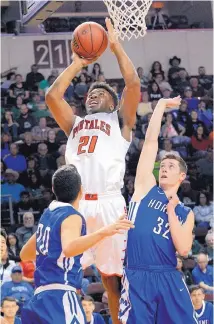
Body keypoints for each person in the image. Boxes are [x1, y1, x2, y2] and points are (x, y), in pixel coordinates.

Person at [45, 18, 140, 324]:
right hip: (78, 203)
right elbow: (52, 97)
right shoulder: (74, 124)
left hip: (111, 203)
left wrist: (115, 47)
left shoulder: (119, 122)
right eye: (89, 95)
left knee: (112, 277)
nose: (92, 96)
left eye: (100, 94)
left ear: (113, 103)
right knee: (65, 269)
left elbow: (133, 84)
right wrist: (77, 63)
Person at [19, 165, 134, 324]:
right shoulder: (71, 216)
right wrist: (105, 231)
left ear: (53, 189)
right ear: (81, 190)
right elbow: (69, 248)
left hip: (39, 298)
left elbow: (25, 254)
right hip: (61, 297)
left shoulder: (48, 214)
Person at [119, 97, 197, 324]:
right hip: (137, 273)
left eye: (170, 166)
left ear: (181, 176)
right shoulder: (145, 187)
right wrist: (160, 106)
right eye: (162, 166)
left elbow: (183, 249)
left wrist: (171, 210)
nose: (164, 168)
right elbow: (151, 142)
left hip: (168, 276)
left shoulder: (185, 213)